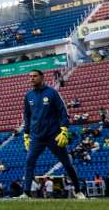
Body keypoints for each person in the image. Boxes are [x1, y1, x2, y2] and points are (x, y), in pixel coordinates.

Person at [19, 69, 85, 199]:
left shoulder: (52, 93)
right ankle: (26, 193)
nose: (32, 78)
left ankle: (78, 191)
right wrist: (26, 134)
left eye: (35, 76)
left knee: (67, 163)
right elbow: (27, 116)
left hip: (53, 135)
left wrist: (64, 130)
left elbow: (63, 112)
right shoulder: (28, 95)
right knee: (29, 162)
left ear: (42, 77)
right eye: (30, 76)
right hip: (36, 137)